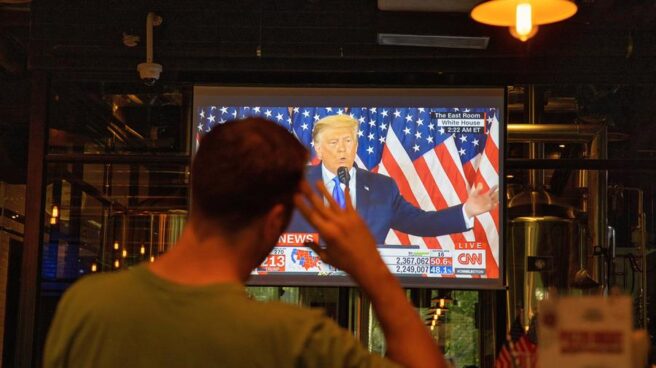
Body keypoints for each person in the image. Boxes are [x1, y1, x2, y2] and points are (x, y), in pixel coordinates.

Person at [44, 117, 447, 368]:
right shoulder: (296, 340)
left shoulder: (85, 305)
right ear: (276, 221)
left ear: (196, 191)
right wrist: (371, 270)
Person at [288, 114, 499, 244]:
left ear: (356, 145)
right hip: (307, 275)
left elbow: (420, 223)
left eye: (348, 140)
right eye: (334, 142)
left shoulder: (382, 187)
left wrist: (467, 210)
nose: (343, 148)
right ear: (318, 149)